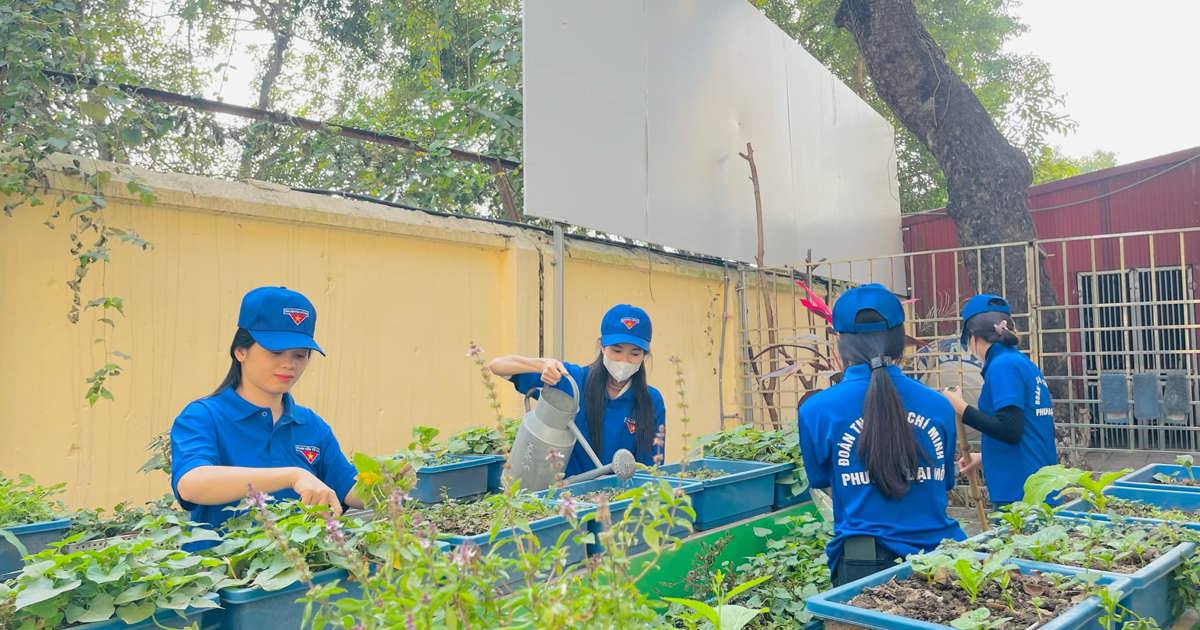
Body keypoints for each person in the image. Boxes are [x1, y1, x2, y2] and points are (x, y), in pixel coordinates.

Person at [797, 284, 964, 586]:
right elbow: (945, 480)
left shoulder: (817, 410)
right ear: (900, 339)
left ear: (840, 343)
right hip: (942, 561)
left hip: (863, 566)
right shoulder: (938, 406)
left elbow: (823, 480)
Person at [171, 286, 363, 533]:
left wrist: (394, 480)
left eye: (300, 355)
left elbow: (351, 490)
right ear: (240, 351)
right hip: (223, 569)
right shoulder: (204, 416)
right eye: (275, 352)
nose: (288, 364)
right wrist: (293, 476)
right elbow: (192, 484)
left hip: (300, 568)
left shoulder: (310, 425)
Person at [488, 304, 665, 476]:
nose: (624, 360)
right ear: (602, 347)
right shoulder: (572, 381)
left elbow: (650, 471)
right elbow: (498, 366)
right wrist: (542, 364)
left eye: (634, 354)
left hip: (619, 500)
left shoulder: (651, 400)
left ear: (644, 356)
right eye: (616, 351)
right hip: (568, 497)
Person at [941, 294, 1058, 508]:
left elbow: (1009, 429)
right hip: (1037, 487)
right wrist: (984, 457)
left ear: (972, 336)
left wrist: (960, 406)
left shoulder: (1003, 366)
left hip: (1018, 495)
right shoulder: (1022, 363)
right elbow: (1027, 430)